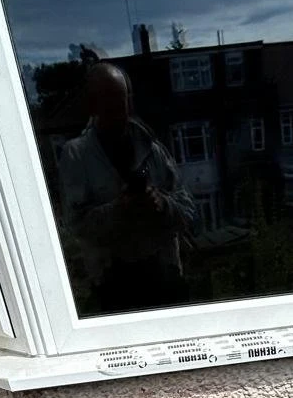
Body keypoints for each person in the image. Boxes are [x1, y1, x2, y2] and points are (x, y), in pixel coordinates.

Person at [58, 63, 195, 313]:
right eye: (106, 98)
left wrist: (162, 204)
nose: (116, 107)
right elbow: (76, 226)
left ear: (129, 101)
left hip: (165, 284)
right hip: (115, 290)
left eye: (120, 98)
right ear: (93, 104)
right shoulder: (76, 155)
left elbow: (187, 211)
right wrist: (120, 210)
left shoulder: (153, 149)